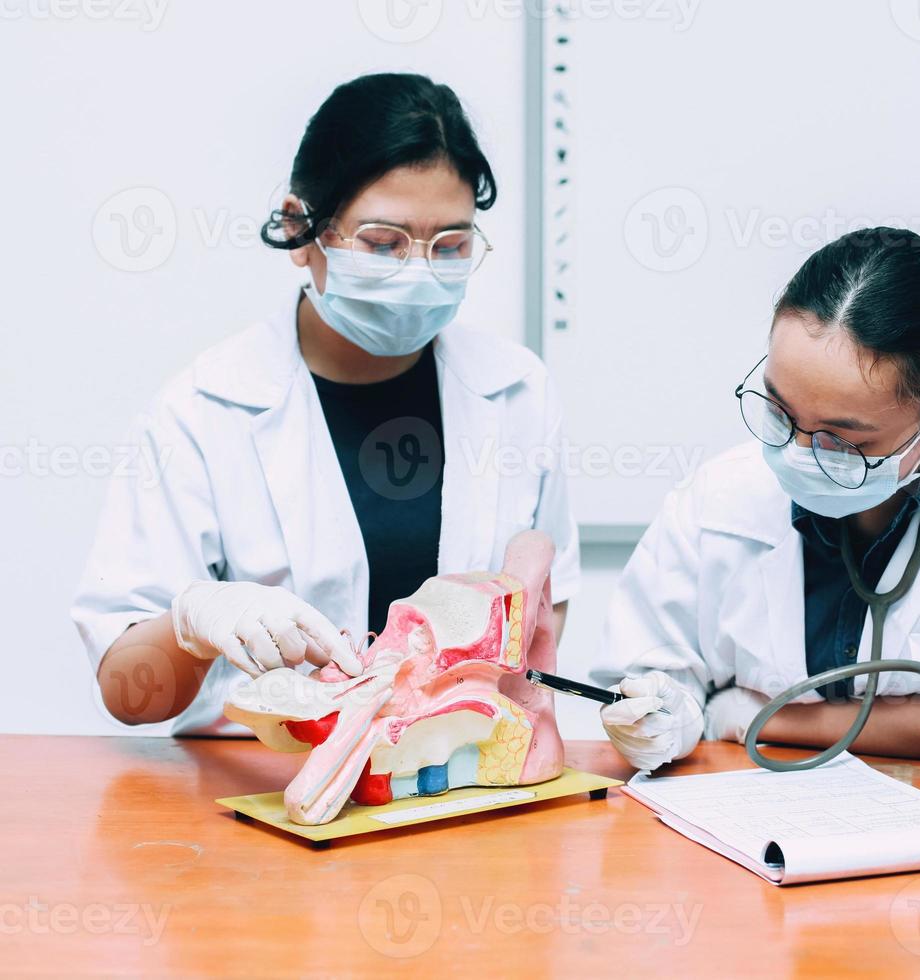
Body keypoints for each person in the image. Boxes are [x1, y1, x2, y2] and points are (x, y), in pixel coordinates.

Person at [73, 74, 579, 733]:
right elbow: (128, 693)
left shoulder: (517, 393)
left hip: (451, 782)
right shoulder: (202, 412)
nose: (419, 272)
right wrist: (193, 623)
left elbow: (545, 612)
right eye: (383, 243)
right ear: (299, 228)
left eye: (450, 245)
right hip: (254, 789)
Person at [592, 228, 920, 770]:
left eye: (843, 439)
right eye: (780, 413)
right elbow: (647, 678)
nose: (800, 452)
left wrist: (755, 715)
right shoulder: (719, 495)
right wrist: (663, 720)